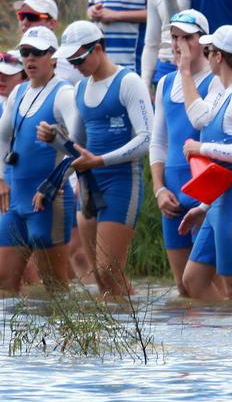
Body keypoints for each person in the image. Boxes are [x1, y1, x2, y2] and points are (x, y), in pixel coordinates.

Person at [40, 21, 154, 297]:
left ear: (98, 49)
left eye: (78, 58)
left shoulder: (129, 82)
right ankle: (110, 337)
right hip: (90, 187)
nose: (75, 65)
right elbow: (77, 146)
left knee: (109, 271)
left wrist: (101, 160)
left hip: (122, 183)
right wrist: (55, 138)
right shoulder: (79, 89)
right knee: (99, 281)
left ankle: (137, 333)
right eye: (70, 60)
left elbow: (146, 139)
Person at [175, 26, 232, 301]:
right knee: (194, 279)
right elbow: (200, 118)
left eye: (208, 50)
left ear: (218, 57)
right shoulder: (224, 92)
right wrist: (204, 205)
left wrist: (202, 148)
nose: (207, 55)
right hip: (219, 205)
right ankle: (220, 342)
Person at [0, 27, 78, 291]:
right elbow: (2, 137)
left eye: (37, 52)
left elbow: (81, 145)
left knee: (56, 288)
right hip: (15, 200)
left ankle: (64, 334)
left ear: (53, 57)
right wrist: (1, 178)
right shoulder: (18, 93)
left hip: (48, 200)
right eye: (25, 52)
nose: (30, 58)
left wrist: (53, 184)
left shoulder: (64, 94)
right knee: (4, 286)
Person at [148, 10, 214, 295]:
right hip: (173, 191)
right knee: (182, 287)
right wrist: (159, 189)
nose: (179, 45)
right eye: (175, 37)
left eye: (187, 37)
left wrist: (186, 71)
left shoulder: (215, 80)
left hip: (204, 192)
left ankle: (225, 339)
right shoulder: (165, 83)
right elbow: (158, 143)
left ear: (203, 41)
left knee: (206, 285)